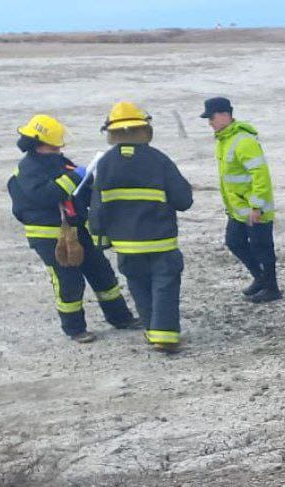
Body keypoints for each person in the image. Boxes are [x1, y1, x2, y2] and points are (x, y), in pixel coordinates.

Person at [7, 114, 137, 342]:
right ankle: (74, 328)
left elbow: (81, 192)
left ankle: (121, 318)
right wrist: (74, 177)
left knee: (103, 274)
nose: (60, 146)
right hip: (50, 237)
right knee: (68, 282)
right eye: (56, 143)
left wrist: (89, 181)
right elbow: (46, 195)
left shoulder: (58, 161)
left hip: (77, 230)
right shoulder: (28, 168)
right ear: (41, 142)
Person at [90, 102, 194, 352]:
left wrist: (99, 236)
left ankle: (152, 331)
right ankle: (166, 336)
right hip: (160, 241)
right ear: (145, 129)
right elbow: (183, 200)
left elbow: (97, 204)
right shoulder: (159, 160)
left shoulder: (104, 164)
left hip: (126, 244)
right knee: (164, 285)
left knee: (139, 285)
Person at [202, 96, 281, 303]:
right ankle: (261, 278)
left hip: (255, 209)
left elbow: (260, 175)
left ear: (225, 115)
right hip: (237, 208)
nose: (209, 122)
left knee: (262, 247)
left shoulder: (243, 141)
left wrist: (257, 206)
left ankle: (271, 288)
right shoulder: (223, 139)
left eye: (211, 117)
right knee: (234, 242)